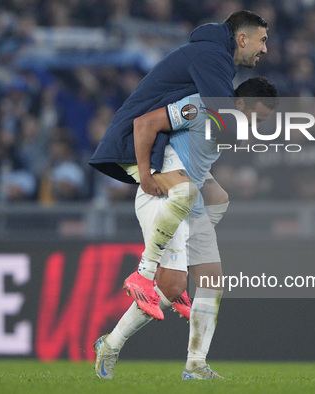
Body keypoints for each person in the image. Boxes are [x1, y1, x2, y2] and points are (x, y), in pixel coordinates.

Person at [94, 77, 279, 380]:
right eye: (257, 117)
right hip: (163, 197)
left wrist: (210, 187)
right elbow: (145, 124)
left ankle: (196, 365)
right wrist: (145, 175)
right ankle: (112, 341)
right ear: (240, 104)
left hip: (188, 202)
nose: (257, 125)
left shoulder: (229, 129)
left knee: (211, 282)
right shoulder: (201, 108)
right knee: (172, 286)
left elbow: (193, 162)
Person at [89, 10, 269, 321]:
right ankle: (143, 274)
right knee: (185, 193)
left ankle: (177, 264)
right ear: (242, 39)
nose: (265, 49)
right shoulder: (215, 57)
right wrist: (145, 172)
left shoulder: (213, 57)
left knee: (217, 198)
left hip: (156, 141)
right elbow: (221, 117)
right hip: (137, 141)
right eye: (262, 40)